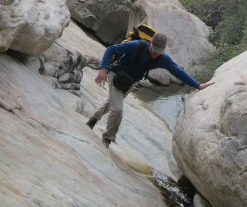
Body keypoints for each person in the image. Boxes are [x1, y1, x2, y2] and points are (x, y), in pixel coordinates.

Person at [86, 32, 215, 147]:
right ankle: (108, 137)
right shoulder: (136, 45)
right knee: (118, 108)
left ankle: (93, 119)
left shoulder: (163, 59)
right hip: (116, 75)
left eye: (159, 52)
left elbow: (179, 72)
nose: (155, 54)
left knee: (113, 103)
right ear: (150, 43)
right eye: (154, 50)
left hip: (130, 82)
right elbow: (110, 50)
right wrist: (103, 69)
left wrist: (197, 85)